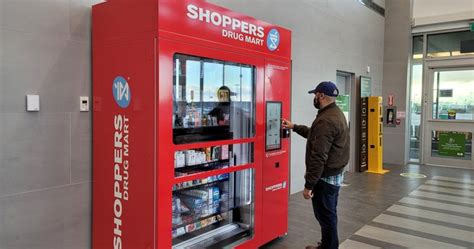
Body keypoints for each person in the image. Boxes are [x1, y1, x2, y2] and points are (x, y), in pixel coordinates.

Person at [282, 81, 349, 249]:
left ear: (321, 96)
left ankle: (329, 247)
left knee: (326, 216)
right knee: (329, 214)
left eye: (315, 95)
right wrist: (294, 127)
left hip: (325, 179)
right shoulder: (335, 114)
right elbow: (315, 136)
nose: (314, 98)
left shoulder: (326, 120)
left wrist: (308, 185)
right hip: (334, 174)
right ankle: (327, 245)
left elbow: (318, 156)